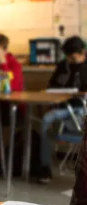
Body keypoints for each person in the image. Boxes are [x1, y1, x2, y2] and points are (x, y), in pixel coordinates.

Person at [39, 36, 87, 183]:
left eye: (74, 58)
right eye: (69, 58)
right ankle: (44, 167)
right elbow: (51, 85)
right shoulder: (62, 66)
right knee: (46, 119)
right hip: (63, 106)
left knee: (77, 116)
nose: (71, 62)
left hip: (81, 106)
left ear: (83, 52)